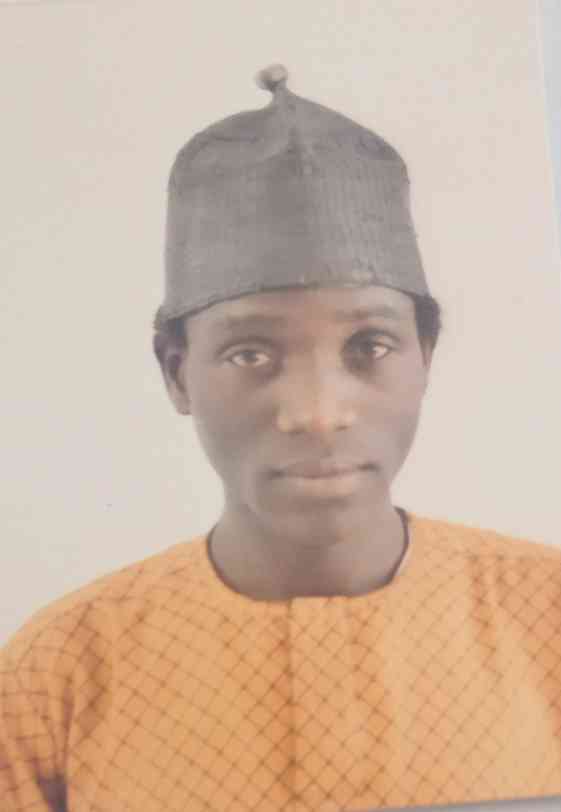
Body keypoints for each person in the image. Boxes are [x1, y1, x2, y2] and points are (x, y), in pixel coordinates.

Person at [2, 64, 561, 812]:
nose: (318, 413)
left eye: (370, 345)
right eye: (250, 354)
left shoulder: (546, 615)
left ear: (424, 357)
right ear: (176, 372)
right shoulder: (57, 675)